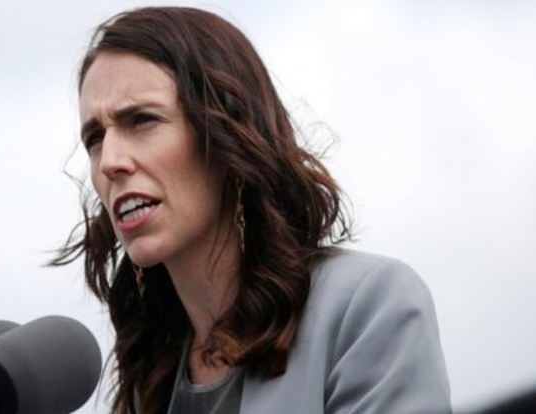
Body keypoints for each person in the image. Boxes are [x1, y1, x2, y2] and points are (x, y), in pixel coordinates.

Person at [53, 6, 451, 414]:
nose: (110, 161)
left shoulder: (367, 306)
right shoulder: (150, 379)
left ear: (228, 131)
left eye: (142, 119)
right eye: (95, 138)